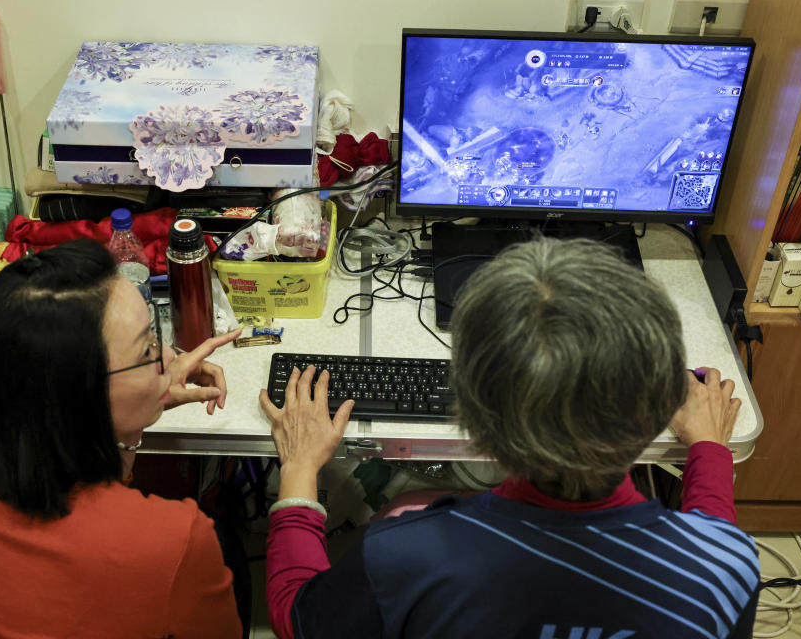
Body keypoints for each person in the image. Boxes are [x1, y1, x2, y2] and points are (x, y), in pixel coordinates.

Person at [260, 237, 760, 639]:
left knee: (403, 501)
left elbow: (296, 615)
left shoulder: (402, 557)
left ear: (474, 417)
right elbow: (710, 544)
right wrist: (710, 450)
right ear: (660, 405)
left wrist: (301, 470)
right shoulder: (728, 569)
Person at [0, 240, 244, 638]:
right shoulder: (174, 541)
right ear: (80, 397)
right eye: (148, 349)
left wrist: (145, 396)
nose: (169, 358)